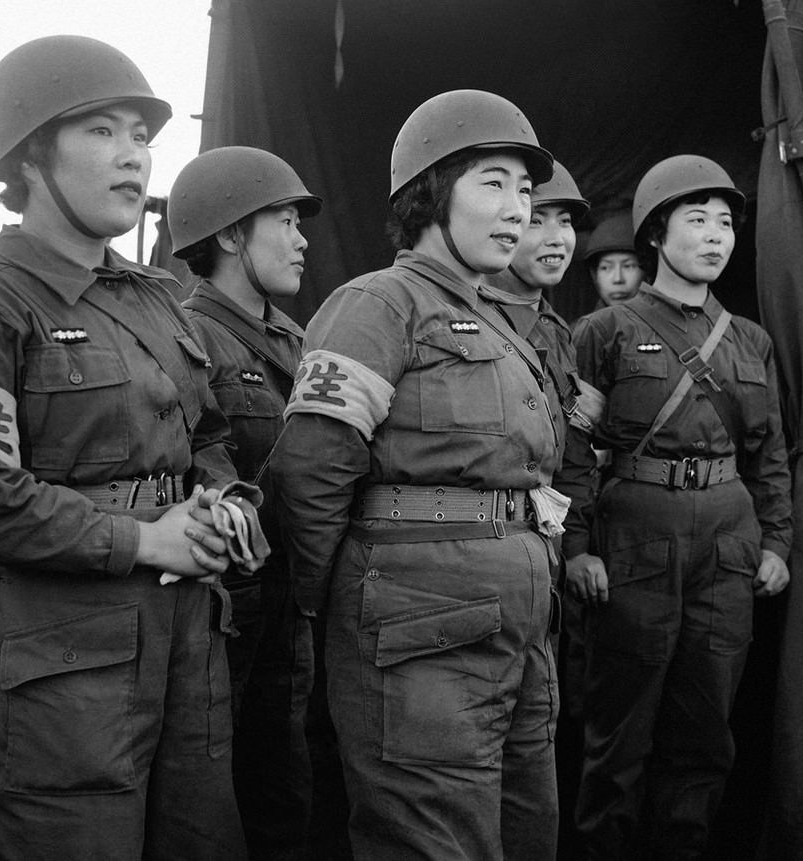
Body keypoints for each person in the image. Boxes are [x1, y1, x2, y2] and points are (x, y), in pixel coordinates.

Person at [0, 35, 260, 860]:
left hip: (187, 648)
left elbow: (207, 434)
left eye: (141, 137)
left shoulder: (159, 303)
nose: (133, 157)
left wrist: (225, 506)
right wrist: (144, 538)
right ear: (31, 156)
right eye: (102, 131)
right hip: (56, 672)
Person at [271, 89, 596, 861]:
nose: (518, 207)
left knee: (524, 838)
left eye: (526, 189)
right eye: (493, 182)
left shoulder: (502, 324)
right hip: (416, 636)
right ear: (428, 194)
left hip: (517, 632)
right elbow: (309, 475)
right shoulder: (377, 306)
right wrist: (325, 620)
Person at [568, 155, 792, 859]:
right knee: (620, 735)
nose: (716, 236)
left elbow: (771, 454)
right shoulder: (602, 333)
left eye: (725, 222)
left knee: (705, 736)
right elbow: (569, 449)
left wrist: (778, 543)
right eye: (697, 220)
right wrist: (576, 545)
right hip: (635, 540)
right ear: (657, 235)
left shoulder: (751, 340)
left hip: (727, 546)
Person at [167, 145, 321, 860]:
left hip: (296, 599)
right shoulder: (186, 335)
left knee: (286, 783)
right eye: (284, 221)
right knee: (216, 792)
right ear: (230, 234)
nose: (302, 239)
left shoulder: (300, 336)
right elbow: (196, 448)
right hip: (226, 609)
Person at [481, 160, 601, 858]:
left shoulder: (558, 332)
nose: (556, 236)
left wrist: (575, 545)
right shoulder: (459, 311)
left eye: (566, 222)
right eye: (539, 218)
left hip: (543, 569)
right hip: (475, 559)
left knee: (533, 765)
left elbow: (573, 462)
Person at [582, 211, 646, 308]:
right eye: (606, 268)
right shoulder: (584, 323)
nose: (618, 279)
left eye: (628, 266)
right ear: (595, 275)